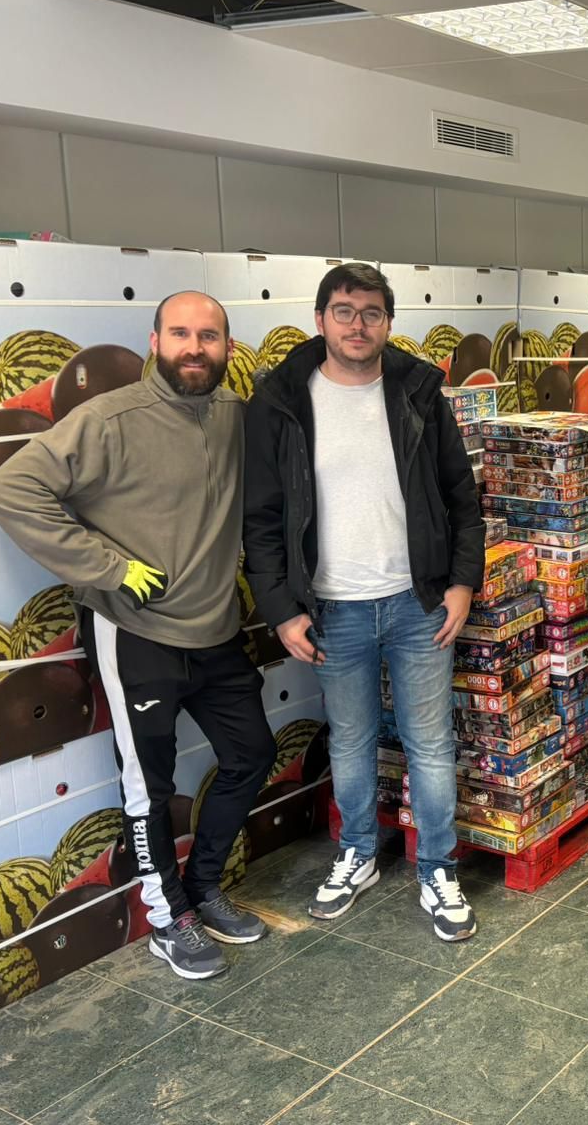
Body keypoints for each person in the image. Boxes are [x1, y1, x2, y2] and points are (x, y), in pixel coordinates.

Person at [0, 291, 274, 981]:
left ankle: (203, 887)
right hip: (135, 631)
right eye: (180, 333)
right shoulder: (109, 420)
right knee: (149, 786)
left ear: (228, 348)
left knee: (252, 754)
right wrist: (109, 568)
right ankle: (167, 919)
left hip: (216, 628)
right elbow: (11, 489)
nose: (194, 347)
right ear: (154, 342)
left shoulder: (237, 416)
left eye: (209, 336)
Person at [242, 262, 485, 940]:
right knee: (350, 740)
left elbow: (461, 497)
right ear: (320, 320)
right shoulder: (281, 402)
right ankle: (357, 853)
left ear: (388, 323)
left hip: (418, 603)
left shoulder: (418, 393)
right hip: (332, 609)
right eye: (345, 311)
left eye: (372, 313)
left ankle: (438, 867)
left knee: (429, 743)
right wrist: (281, 609)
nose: (358, 325)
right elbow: (261, 520)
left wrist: (462, 583)